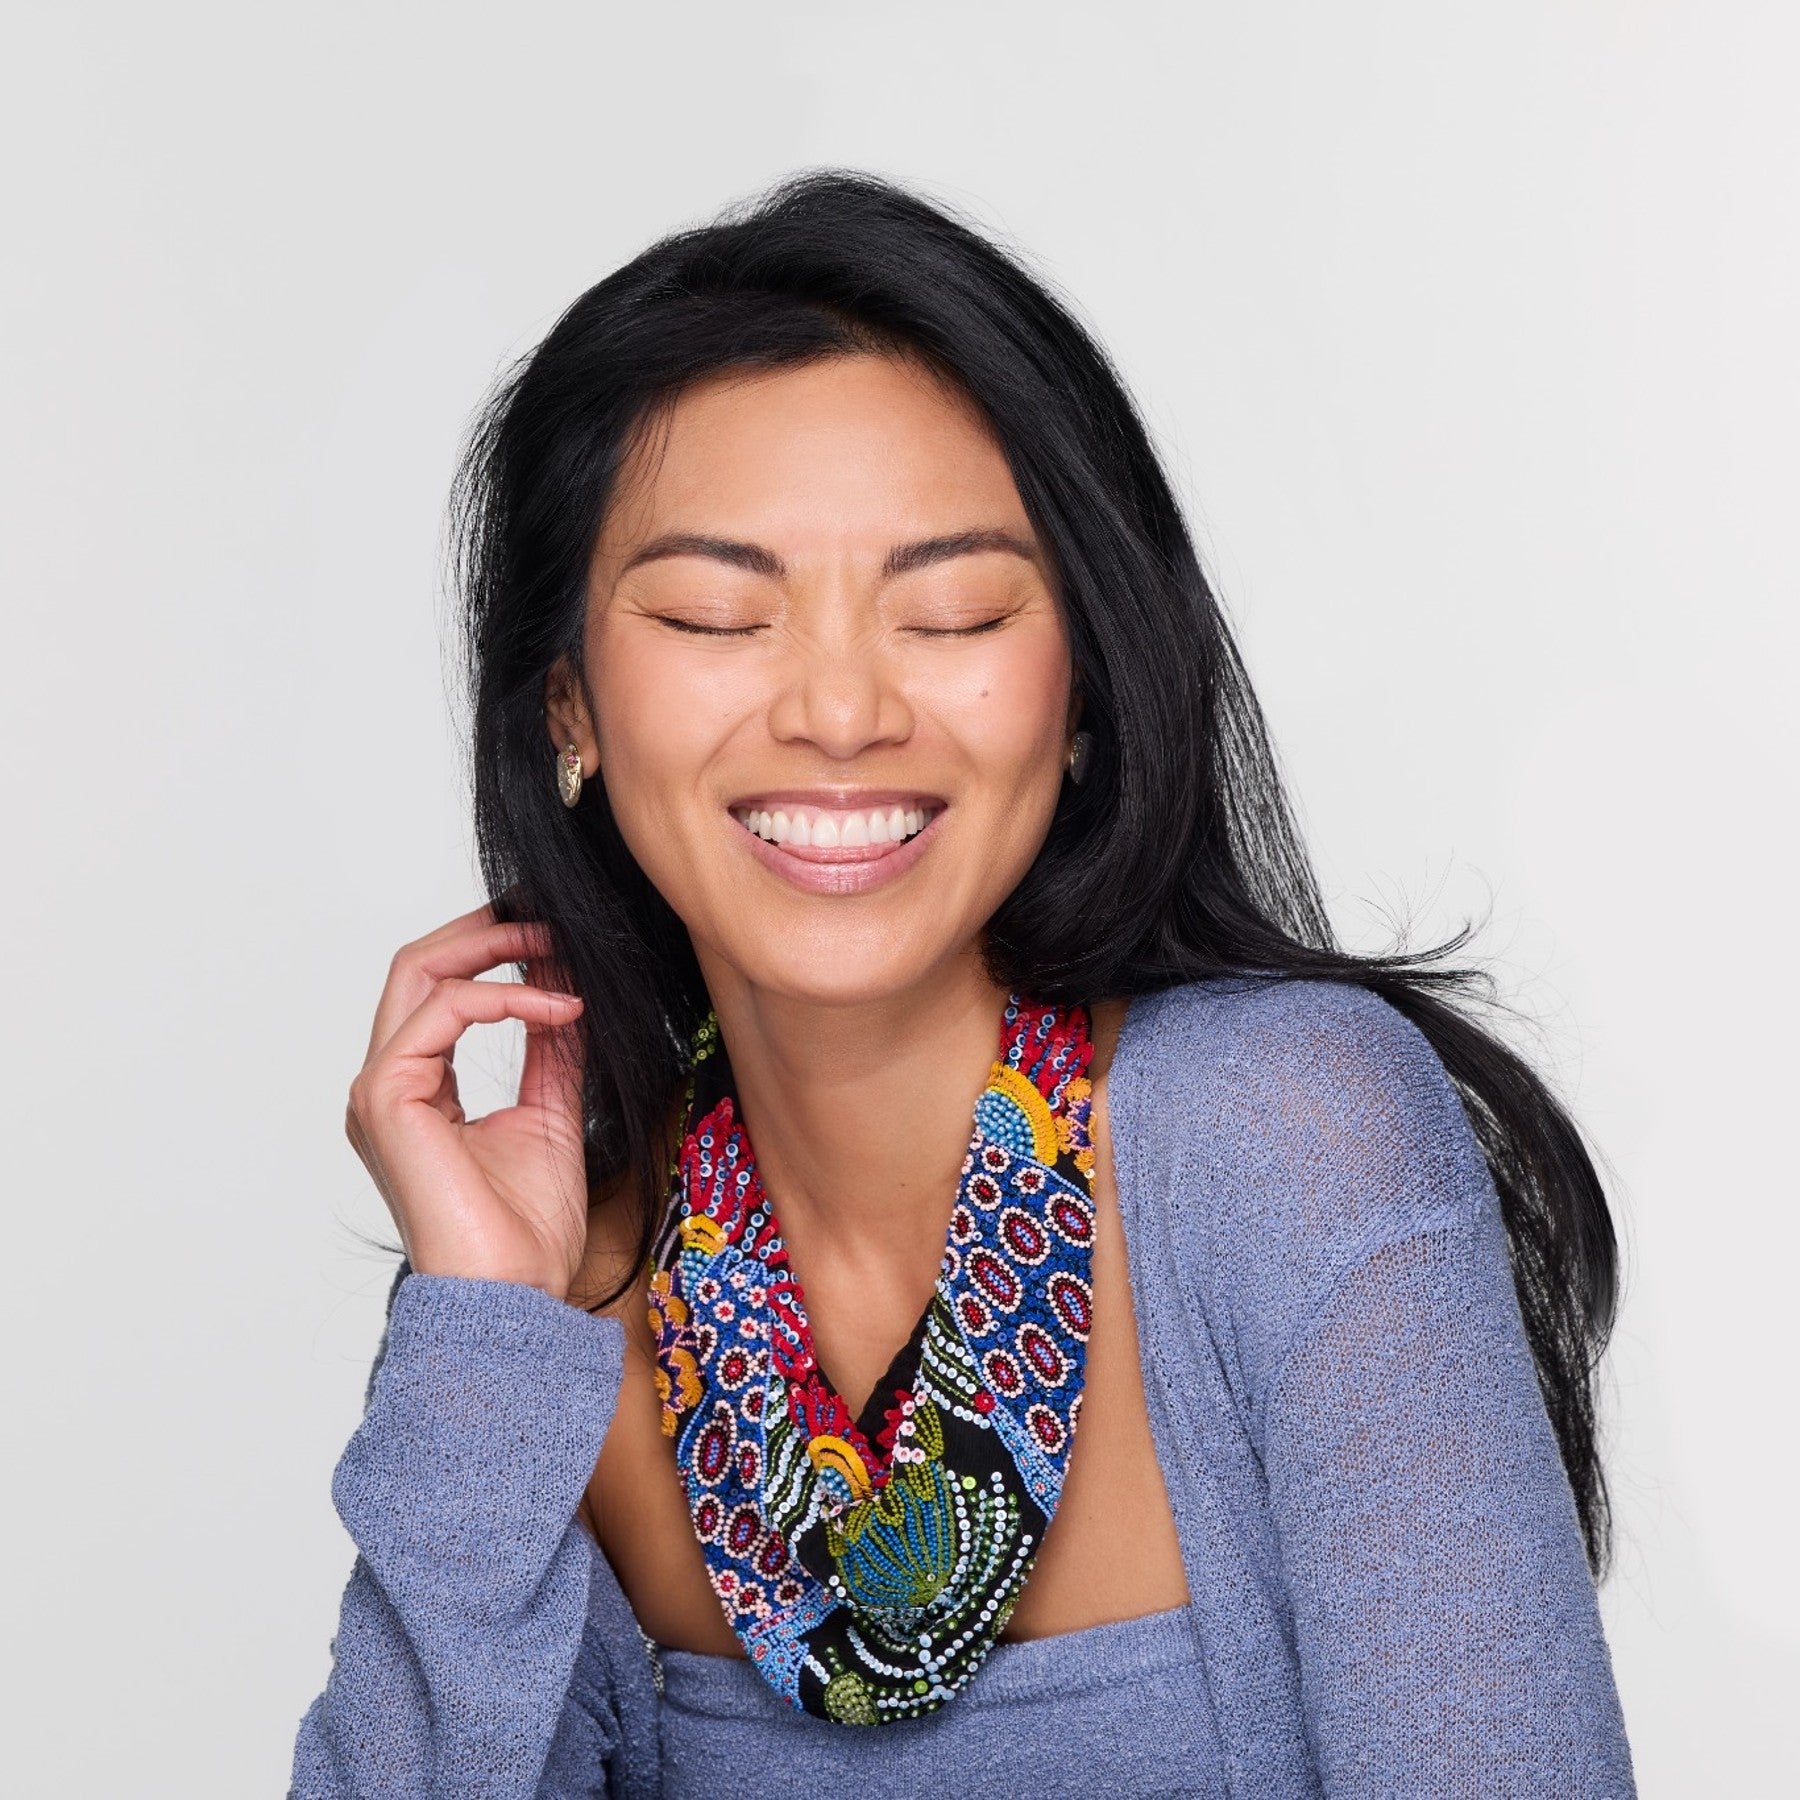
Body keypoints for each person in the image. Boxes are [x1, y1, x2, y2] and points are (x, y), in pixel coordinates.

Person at [289, 169, 1637, 1798]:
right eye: (720, 613)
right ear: (570, 706)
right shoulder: (553, 1303)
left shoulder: (1295, 1141)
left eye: (953, 610)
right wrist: (487, 1333)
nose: (842, 710)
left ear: (1081, 690)